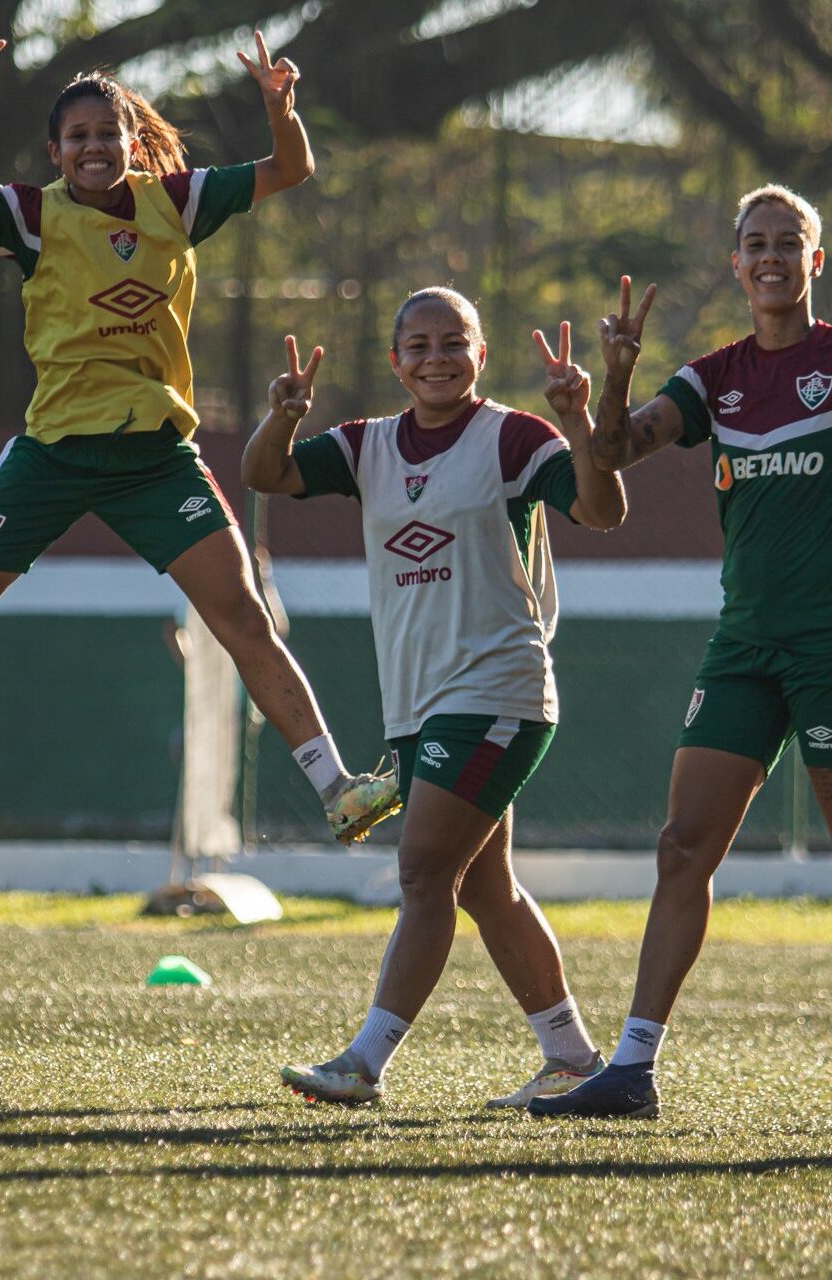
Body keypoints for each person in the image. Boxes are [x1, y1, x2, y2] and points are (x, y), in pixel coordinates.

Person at [0, 21, 398, 842]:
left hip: (158, 459)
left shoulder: (179, 201)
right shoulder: (29, 216)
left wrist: (281, 106)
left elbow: (292, 167)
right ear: (54, 152)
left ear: (134, 139)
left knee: (241, 616)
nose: (95, 147)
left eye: (108, 132)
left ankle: (337, 788)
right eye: (78, 136)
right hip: (53, 454)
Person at [531, 186, 832, 1125]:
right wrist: (608, 383)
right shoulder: (714, 379)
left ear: (815, 262)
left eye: (791, 242)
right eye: (757, 244)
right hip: (744, 645)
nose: (774, 255)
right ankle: (631, 1069)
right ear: (737, 265)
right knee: (682, 848)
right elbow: (614, 453)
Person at [245, 289, 627, 1107]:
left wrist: (584, 424)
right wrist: (283, 414)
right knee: (487, 889)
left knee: (422, 874)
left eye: (453, 342)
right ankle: (573, 1059)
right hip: (417, 705)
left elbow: (603, 509)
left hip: (496, 688)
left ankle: (364, 1063)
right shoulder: (368, 445)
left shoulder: (516, 436)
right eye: (416, 345)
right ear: (395, 361)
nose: (435, 358)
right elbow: (263, 473)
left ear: (481, 355)